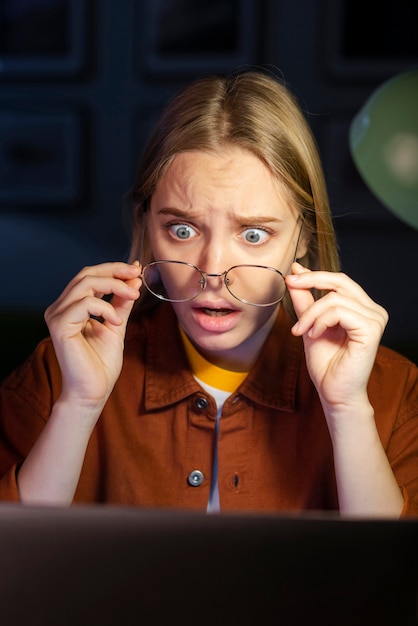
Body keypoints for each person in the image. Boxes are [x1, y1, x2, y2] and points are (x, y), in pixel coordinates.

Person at [0, 69, 417, 517]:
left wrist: (348, 411)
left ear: (302, 238)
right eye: (182, 229)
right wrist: (78, 405)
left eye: (254, 234)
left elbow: (392, 582)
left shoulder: (391, 390)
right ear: (146, 227)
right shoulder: (57, 374)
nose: (212, 271)